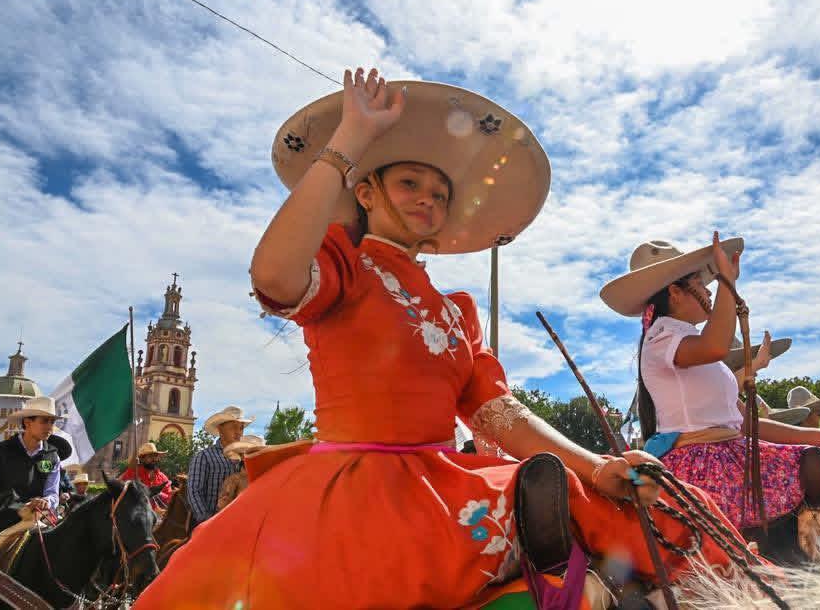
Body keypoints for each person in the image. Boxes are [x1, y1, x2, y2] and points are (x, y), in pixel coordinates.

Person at [136, 68, 747, 609]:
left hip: (446, 483)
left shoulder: (457, 310)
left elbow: (500, 414)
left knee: (648, 501)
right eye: (409, 184)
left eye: (440, 193)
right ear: (366, 192)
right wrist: (349, 142)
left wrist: (597, 465)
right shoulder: (343, 264)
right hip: (357, 494)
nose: (427, 199)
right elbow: (272, 276)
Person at [598, 233, 820, 541]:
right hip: (706, 469)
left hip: (731, 455)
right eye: (700, 283)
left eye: (710, 283)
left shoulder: (688, 343)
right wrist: (727, 284)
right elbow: (716, 346)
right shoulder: (661, 338)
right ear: (674, 292)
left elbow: (747, 424)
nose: (708, 290)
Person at [0, 396, 64, 548]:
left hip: (33, 526)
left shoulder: (53, 456)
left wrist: (46, 501)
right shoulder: (0, 450)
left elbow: (52, 493)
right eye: (45, 421)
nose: (50, 427)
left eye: (52, 422)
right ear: (28, 422)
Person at [185, 406, 253, 526]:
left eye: (241, 428)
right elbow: (194, 491)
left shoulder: (246, 458)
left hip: (238, 523)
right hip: (209, 522)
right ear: (220, 429)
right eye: (233, 427)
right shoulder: (204, 456)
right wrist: (206, 520)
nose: (238, 432)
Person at [121, 442, 173, 510]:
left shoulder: (163, 478)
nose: (154, 459)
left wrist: (158, 494)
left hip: (157, 515)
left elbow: (170, 499)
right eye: (150, 456)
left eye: (155, 456)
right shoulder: (133, 473)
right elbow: (120, 490)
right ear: (142, 459)